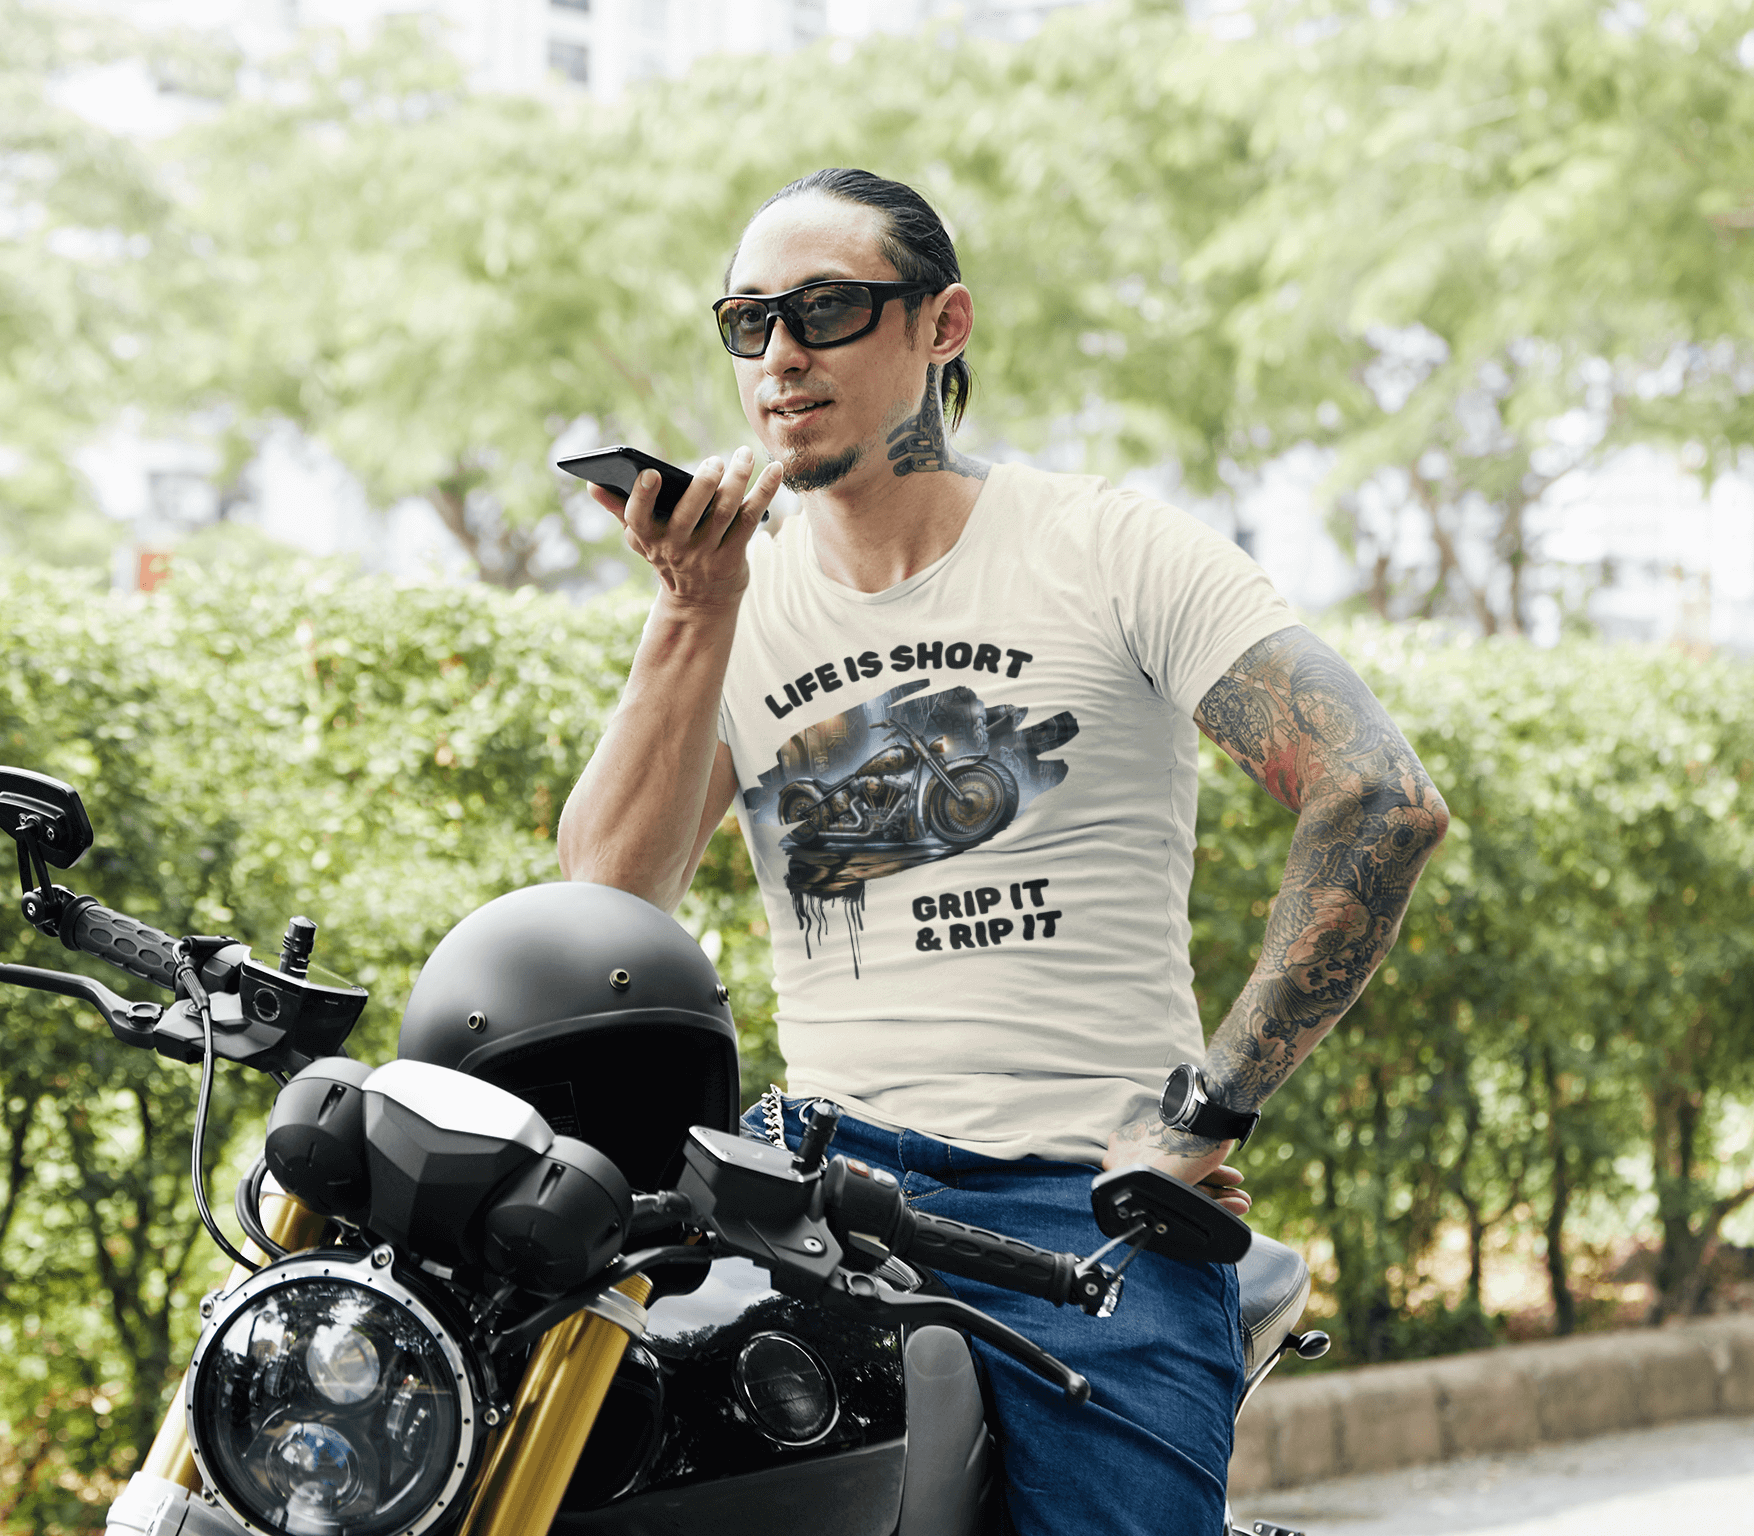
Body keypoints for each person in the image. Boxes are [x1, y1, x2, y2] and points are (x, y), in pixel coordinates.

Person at [557, 167, 1448, 1535]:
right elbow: (608, 902)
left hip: (1080, 1203)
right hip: (807, 1186)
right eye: (748, 321)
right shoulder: (733, 598)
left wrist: (1209, 1110)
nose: (781, 353)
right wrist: (691, 608)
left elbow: (1377, 796)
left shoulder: (1109, 550)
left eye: (826, 309)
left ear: (943, 324)